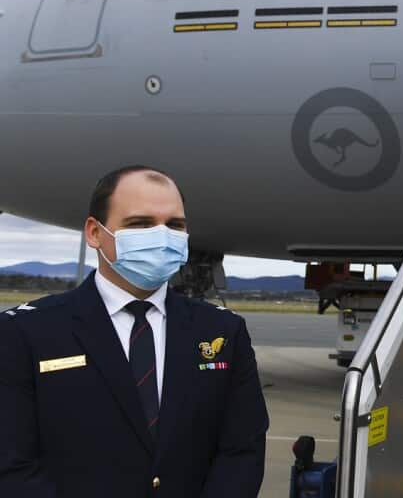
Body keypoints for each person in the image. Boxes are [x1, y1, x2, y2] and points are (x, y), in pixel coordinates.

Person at [0, 165, 269, 497]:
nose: (161, 236)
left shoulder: (223, 331)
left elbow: (242, 452)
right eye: (140, 224)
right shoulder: (26, 332)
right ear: (95, 233)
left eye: (174, 225)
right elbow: (12, 465)